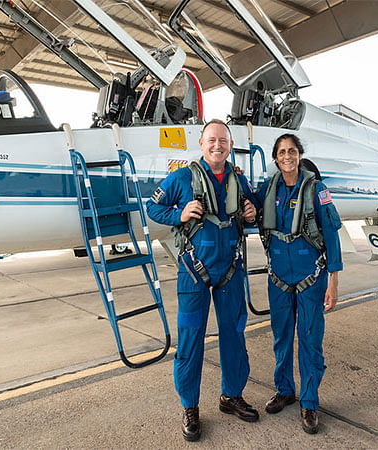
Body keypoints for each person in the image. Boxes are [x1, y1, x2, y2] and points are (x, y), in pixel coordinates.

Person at [146, 119, 260, 442]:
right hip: (193, 271)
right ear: (201, 143)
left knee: (234, 335)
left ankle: (231, 395)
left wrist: (251, 213)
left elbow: (251, 211)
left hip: (230, 271)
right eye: (212, 140)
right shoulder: (183, 177)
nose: (217, 146)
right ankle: (190, 407)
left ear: (230, 144)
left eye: (223, 141)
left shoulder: (238, 179)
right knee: (192, 338)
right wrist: (178, 215)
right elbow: (152, 207)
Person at [255, 133, 343, 434]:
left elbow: (331, 234)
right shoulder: (268, 189)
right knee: (281, 338)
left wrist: (333, 280)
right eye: (281, 152)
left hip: (312, 278)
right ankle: (284, 390)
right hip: (278, 277)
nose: (287, 156)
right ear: (276, 158)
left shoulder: (317, 190)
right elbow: (247, 205)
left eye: (291, 151)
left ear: (299, 154)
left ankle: (309, 401)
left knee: (310, 341)